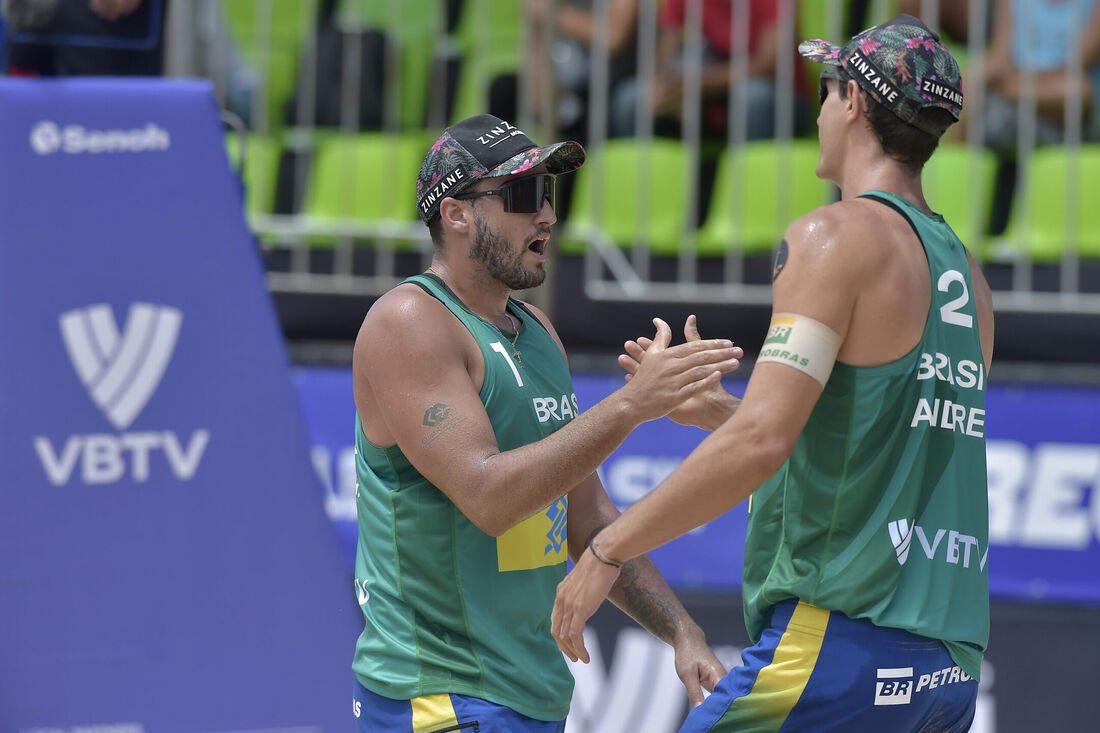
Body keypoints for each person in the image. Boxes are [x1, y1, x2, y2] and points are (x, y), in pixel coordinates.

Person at [553, 14, 994, 733]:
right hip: (946, 668)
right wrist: (728, 411)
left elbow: (764, 442)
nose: (818, 110)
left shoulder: (832, 236)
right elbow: (888, 445)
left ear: (853, 102)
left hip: (841, 645)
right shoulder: (969, 279)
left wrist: (609, 546)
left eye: (827, 91)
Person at [350, 113, 741, 732]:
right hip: (439, 697)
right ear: (456, 213)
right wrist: (630, 405)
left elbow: (585, 520)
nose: (548, 216)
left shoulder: (537, 333)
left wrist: (681, 631)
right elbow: (488, 496)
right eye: (525, 195)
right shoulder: (409, 321)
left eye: (549, 194)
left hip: (527, 696)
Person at [610, 0, 810, 139]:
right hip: (710, 94)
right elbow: (664, 55)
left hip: (781, 99)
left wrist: (694, 84)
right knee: (632, 99)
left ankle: (757, 185)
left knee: (752, 97)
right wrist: (663, 87)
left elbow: (767, 65)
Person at [978, 0, 1100, 153]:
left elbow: (1080, 64)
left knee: (1075, 90)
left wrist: (1011, 85)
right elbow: (999, 59)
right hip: (1019, 93)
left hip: (1072, 108)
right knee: (968, 84)